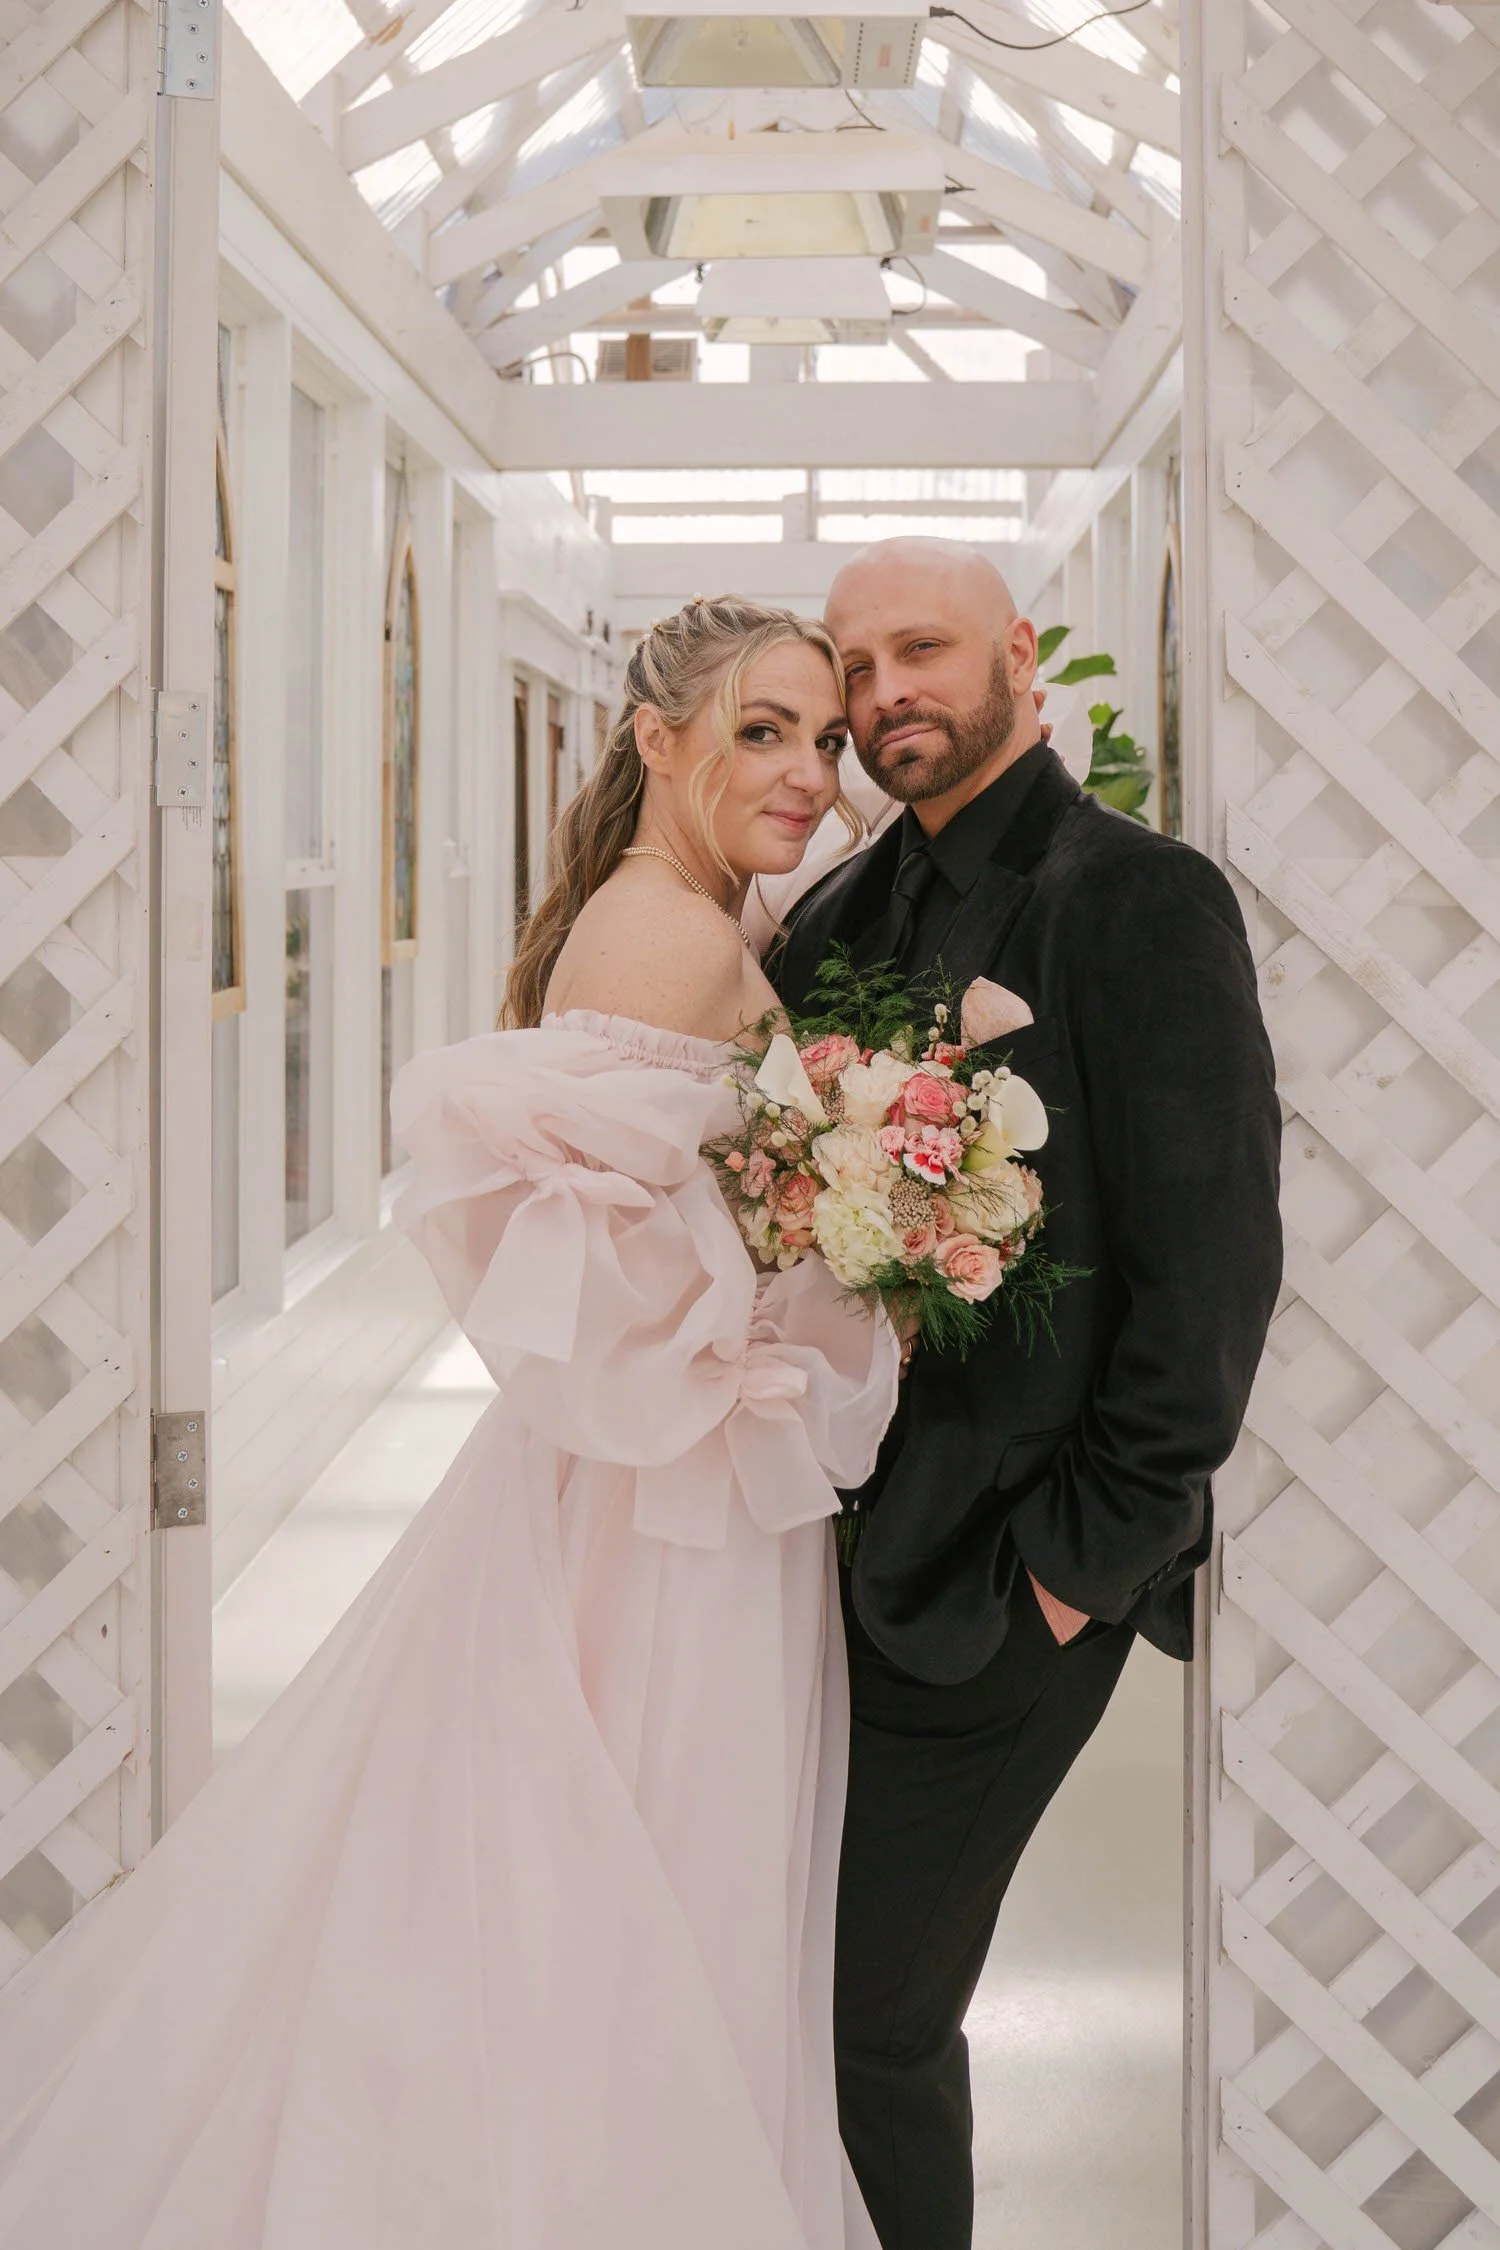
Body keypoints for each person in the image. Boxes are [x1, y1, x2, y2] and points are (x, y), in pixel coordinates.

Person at [0, 597, 900, 2250]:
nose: (806, 771)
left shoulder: (698, 916)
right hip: (666, 1506)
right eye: (764, 729)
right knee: (643, 1886)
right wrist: (838, 1255)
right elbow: (593, 1278)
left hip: (667, 1485)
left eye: (827, 740)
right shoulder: (672, 936)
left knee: (618, 1880)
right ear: (658, 739)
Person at [771, 538, 1283, 2250]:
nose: (885, 692)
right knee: (788, 1996)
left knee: (872, 2019)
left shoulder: (1132, 893)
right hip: (820, 1554)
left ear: (1016, 657)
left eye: (921, 648)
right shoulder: (833, 921)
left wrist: (1080, 1568)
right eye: (856, 667)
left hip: (1009, 1575)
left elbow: (1207, 1266)